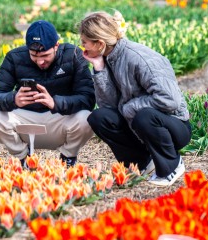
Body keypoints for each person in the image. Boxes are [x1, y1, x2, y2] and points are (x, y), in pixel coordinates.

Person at [80, 11, 192, 187]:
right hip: (137, 124)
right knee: (99, 117)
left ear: (100, 43)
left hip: (173, 126)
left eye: (84, 42)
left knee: (144, 115)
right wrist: (99, 68)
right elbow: (108, 106)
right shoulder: (108, 58)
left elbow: (170, 100)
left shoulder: (139, 58)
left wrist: (131, 107)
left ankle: (172, 166)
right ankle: (142, 163)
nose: (83, 47)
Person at [0, 20, 95, 167]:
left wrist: (55, 102)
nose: (40, 61)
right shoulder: (15, 57)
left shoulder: (73, 55)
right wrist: (14, 99)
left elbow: (88, 98)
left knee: (87, 118)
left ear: (56, 45)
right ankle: (22, 157)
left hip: (59, 119)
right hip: (25, 119)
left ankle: (68, 156)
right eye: (34, 56)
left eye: (45, 55)